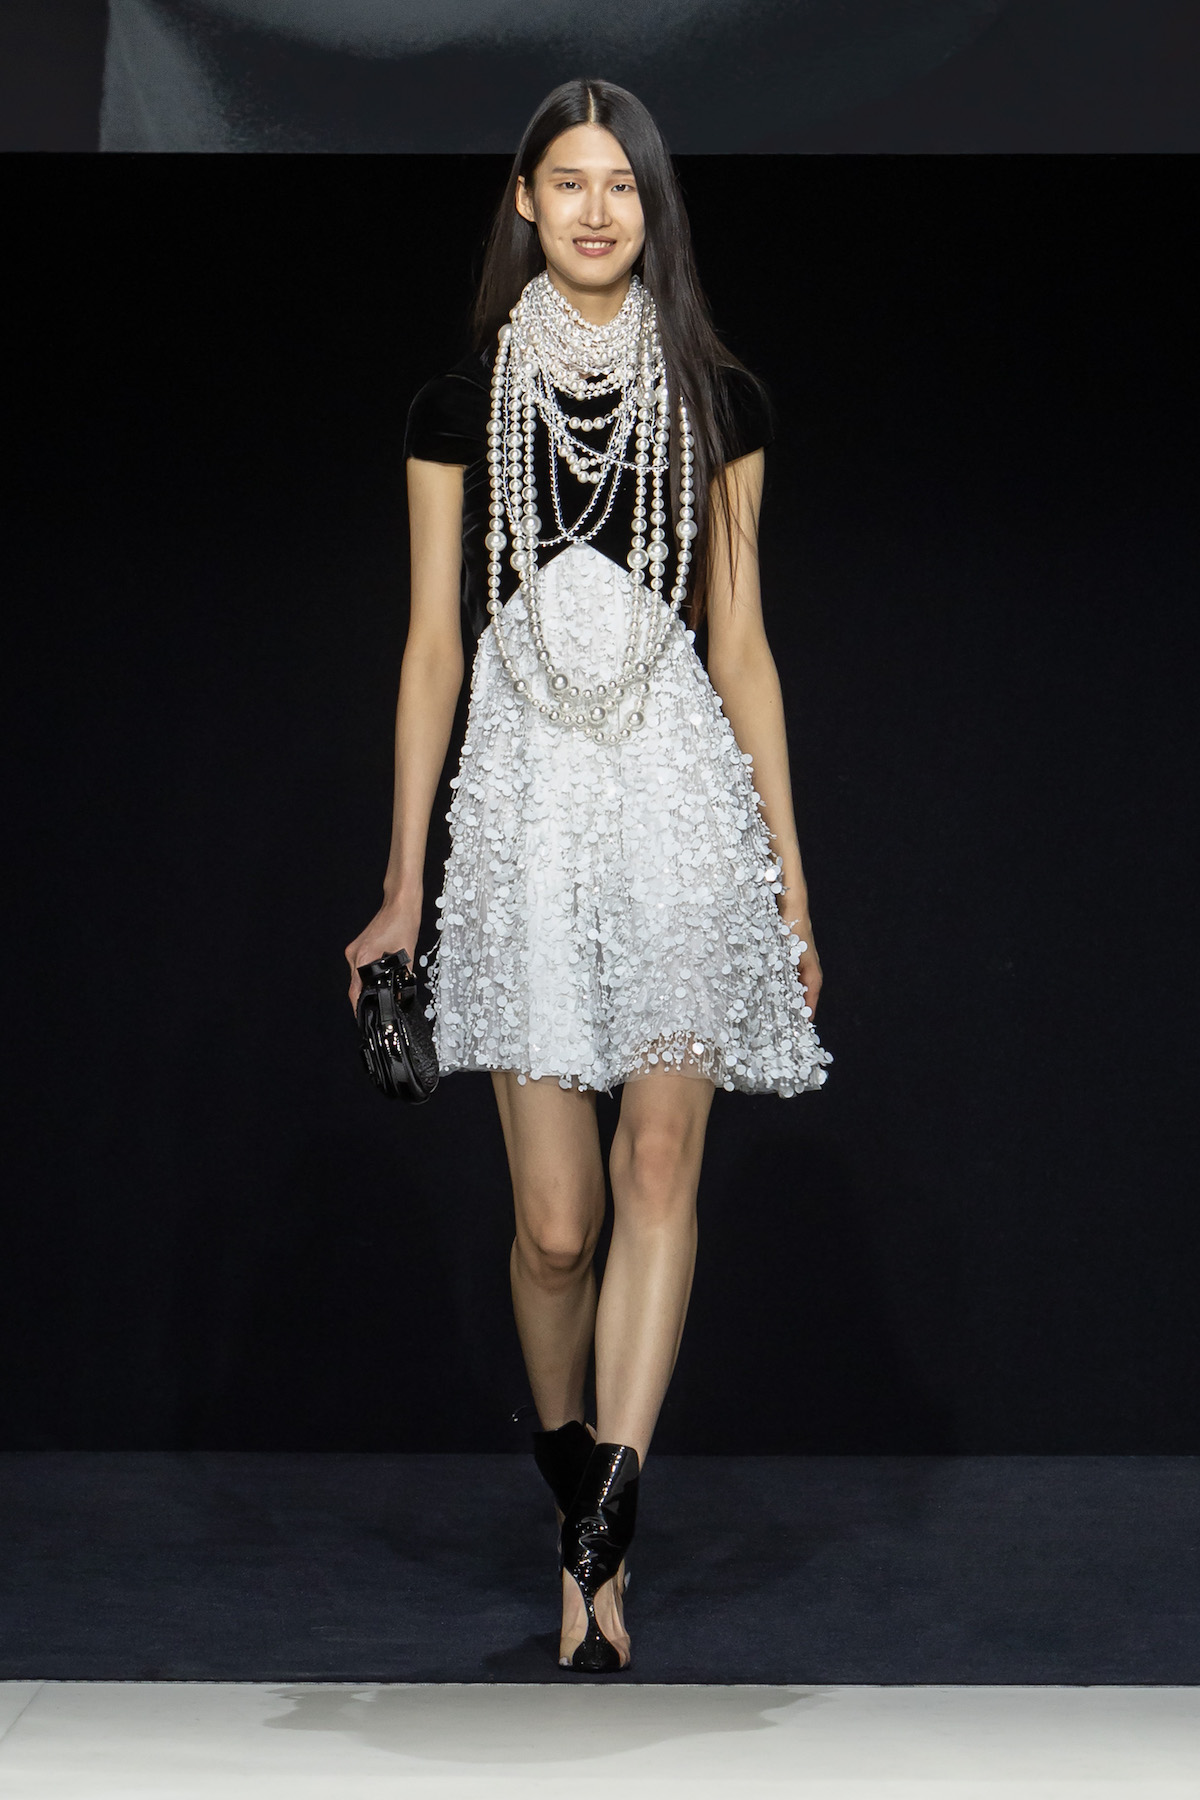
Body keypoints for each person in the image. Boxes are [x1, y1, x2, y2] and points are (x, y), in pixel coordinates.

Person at [345, 77, 833, 1674]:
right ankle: (575, 1469)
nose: (598, 209)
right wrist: (402, 886)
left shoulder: (717, 398)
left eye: (623, 184)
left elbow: (743, 650)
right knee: (555, 1228)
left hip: (676, 797)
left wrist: (791, 882)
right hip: (525, 811)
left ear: (651, 207)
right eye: (570, 181)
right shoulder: (458, 403)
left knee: (660, 1167)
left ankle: (598, 1551)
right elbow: (430, 650)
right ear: (523, 201)